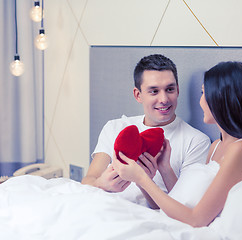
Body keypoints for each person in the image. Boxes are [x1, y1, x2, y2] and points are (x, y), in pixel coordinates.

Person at [112, 61, 242, 227]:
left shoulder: (241, 149)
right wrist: (165, 168)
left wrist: (141, 178)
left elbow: (196, 219)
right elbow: (189, 201)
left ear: (220, 98)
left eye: (203, 93)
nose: (200, 101)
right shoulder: (216, 147)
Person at [82, 54, 211, 208]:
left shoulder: (196, 141)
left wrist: (151, 176)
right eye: (154, 91)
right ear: (138, 95)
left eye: (169, 89)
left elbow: (185, 206)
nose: (164, 99)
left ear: (177, 90)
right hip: (105, 210)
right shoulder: (115, 127)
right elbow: (88, 181)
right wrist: (102, 183)